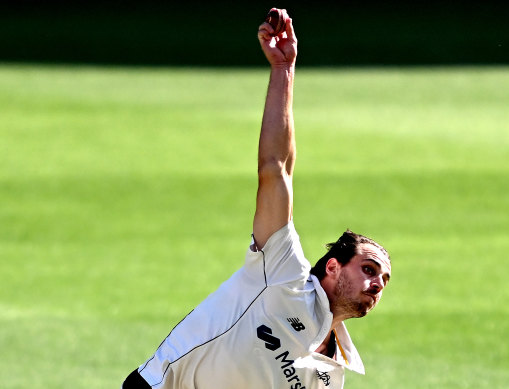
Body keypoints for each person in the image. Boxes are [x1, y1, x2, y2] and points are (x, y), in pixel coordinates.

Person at [122, 8, 391, 389]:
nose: (379, 283)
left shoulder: (332, 377)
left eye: (384, 279)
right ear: (332, 267)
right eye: (369, 268)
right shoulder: (284, 274)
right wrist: (284, 69)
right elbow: (275, 168)